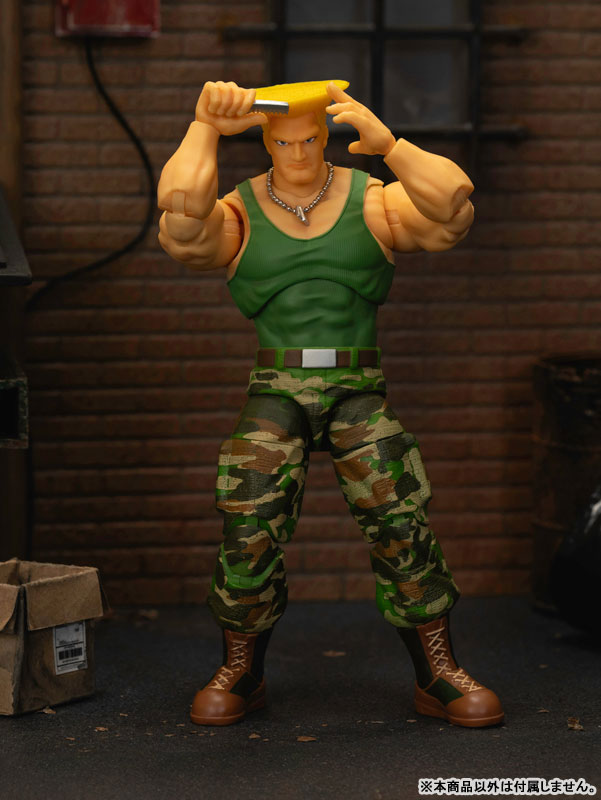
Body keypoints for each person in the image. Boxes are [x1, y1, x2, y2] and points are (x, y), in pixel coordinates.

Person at [157, 79, 504, 728]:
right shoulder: (237, 212)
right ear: (266, 140)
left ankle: (437, 671)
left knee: (401, 517)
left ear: (326, 137)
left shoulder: (372, 201)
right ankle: (241, 669)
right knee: (248, 521)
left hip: (356, 387)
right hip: (277, 388)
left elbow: (453, 207)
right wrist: (203, 125)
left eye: (310, 139)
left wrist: (390, 146)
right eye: (283, 141)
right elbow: (179, 213)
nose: (296, 152)